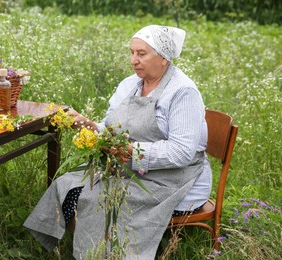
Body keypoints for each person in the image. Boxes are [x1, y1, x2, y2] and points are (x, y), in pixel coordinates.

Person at [24, 24, 211, 259]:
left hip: (171, 179)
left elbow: (181, 152)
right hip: (129, 168)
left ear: (164, 58)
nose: (134, 60)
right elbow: (111, 127)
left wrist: (134, 152)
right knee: (67, 184)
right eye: (132, 52)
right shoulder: (130, 85)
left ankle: (105, 253)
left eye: (141, 54)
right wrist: (89, 125)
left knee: (94, 198)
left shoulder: (183, 92)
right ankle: (89, 250)